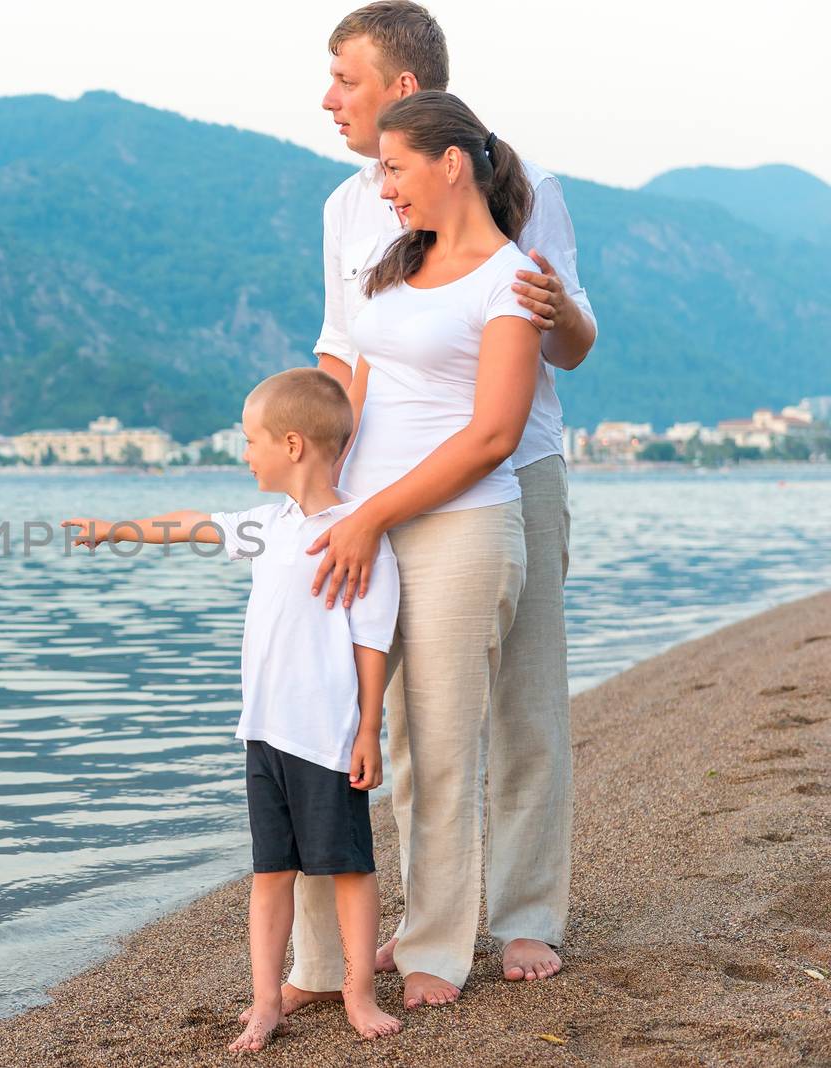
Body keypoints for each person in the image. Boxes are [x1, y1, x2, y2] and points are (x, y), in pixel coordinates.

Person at [284, 0, 597, 1013]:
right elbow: (344, 353)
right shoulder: (347, 207)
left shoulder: (522, 185)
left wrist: (564, 311)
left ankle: (525, 917)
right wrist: (319, 487)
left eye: (345, 78)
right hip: (380, 481)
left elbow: (564, 334)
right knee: (408, 723)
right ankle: (428, 911)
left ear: (403, 91)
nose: (328, 99)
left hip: (513, 473)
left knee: (522, 705)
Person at [61, 368, 402, 1050]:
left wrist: (369, 729)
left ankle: (359, 995)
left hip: (328, 738)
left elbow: (373, 640)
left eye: (252, 441)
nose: (244, 454)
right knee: (270, 873)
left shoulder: (357, 534)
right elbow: (190, 525)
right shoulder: (266, 527)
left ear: (294, 445)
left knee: (349, 870)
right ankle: (265, 1001)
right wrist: (116, 529)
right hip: (264, 736)